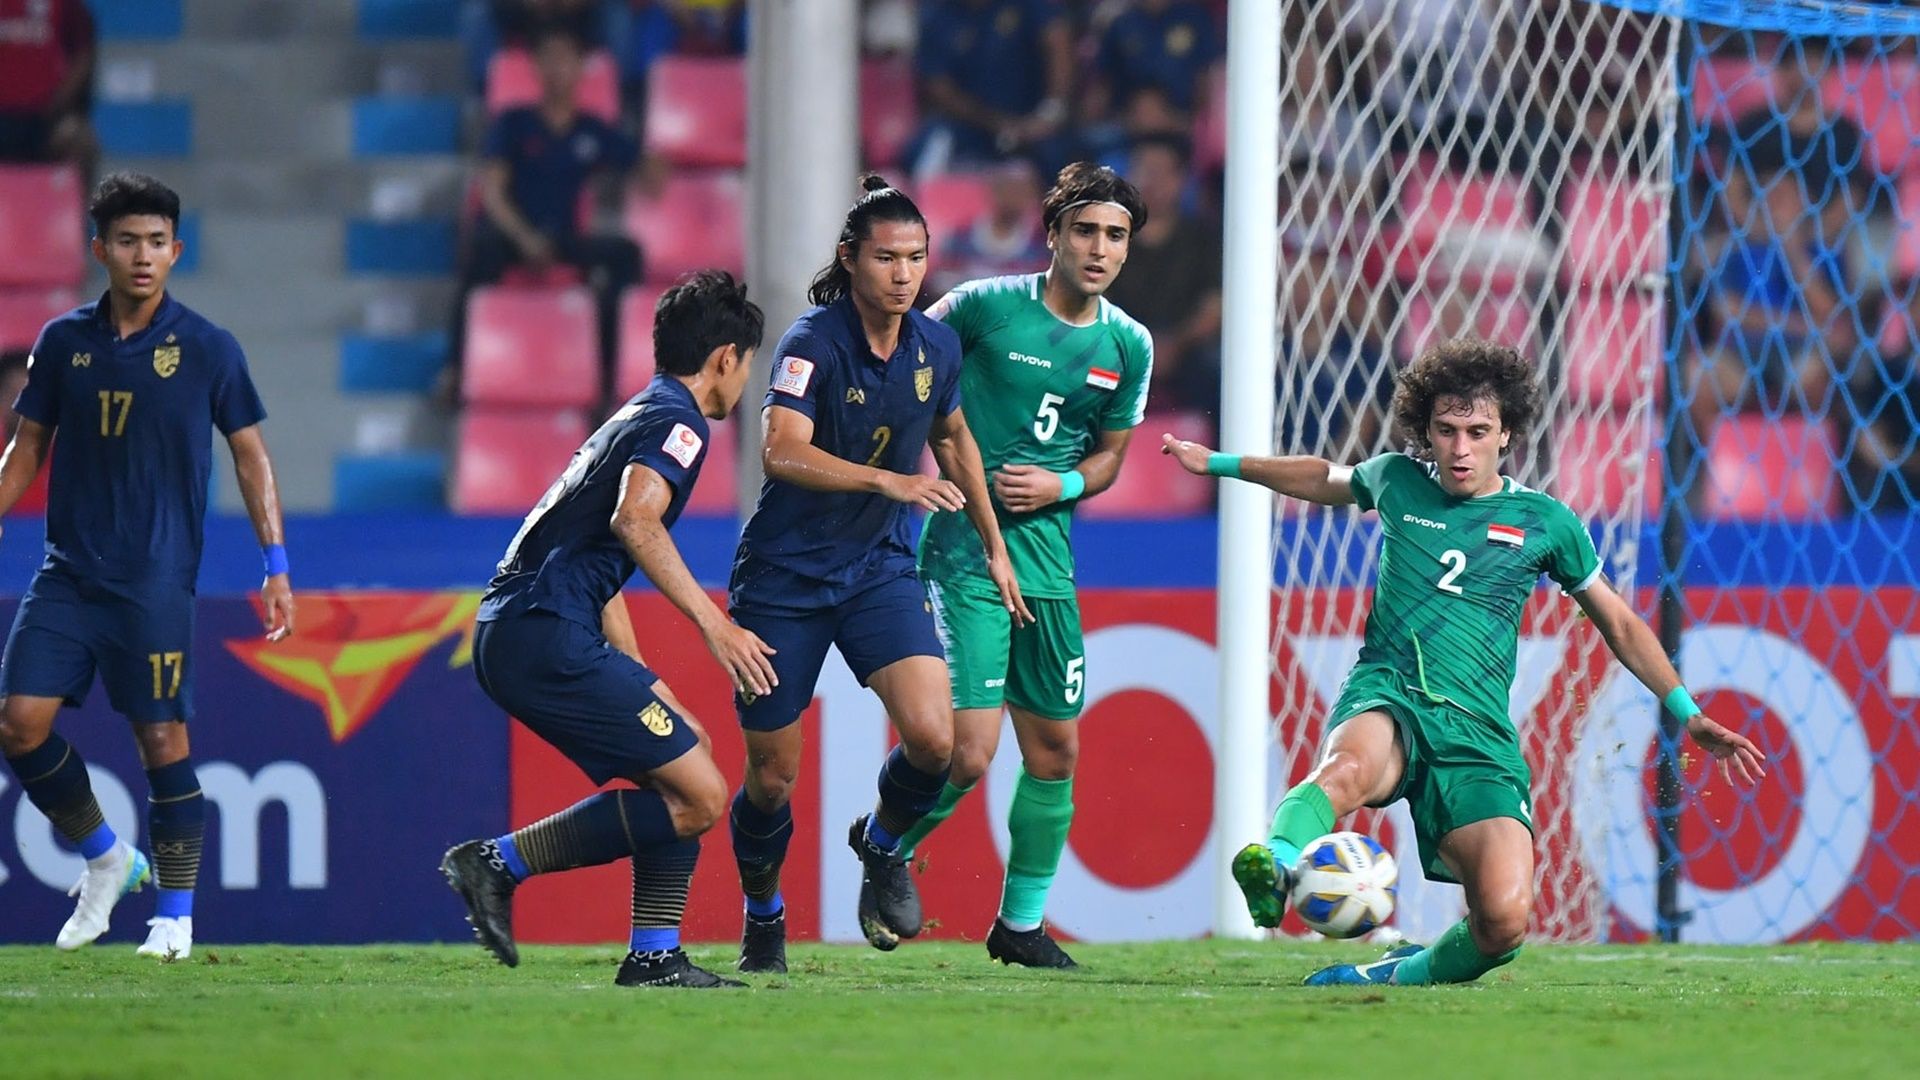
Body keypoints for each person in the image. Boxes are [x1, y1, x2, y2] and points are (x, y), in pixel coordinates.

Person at [1162, 338, 1765, 986]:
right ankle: (1279, 865)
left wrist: (1687, 711)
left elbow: (1618, 621)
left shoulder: (1545, 522)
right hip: (1391, 691)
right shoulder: (1396, 480)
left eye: (1477, 432)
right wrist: (1219, 462)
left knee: (1504, 921)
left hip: (1478, 734)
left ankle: (1385, 977)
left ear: (1506, 434)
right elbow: (1323, 477)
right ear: (1426, 431)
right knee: (1347, 768)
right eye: (1446, 431)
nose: (1460, 449)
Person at [726, 176, 1028, 972]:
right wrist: (888, 481)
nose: (903, 274)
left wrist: (994, 543)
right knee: (772, 778)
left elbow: (954, 440)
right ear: (850, 259)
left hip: (877, 570)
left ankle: (883, 845)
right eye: (887, 258)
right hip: (785, 579)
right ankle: (764, 916)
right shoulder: (811, 344)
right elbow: (781, 452)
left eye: (916, 258)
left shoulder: (936, 347)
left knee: (935, 739)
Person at [441, 270, 769, 989]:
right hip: (543, 631)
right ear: (725, 358)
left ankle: (654, 955)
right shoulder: (680, 424)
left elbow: (601, 557)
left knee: (686, 760)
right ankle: (498, 862)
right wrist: (716, 627)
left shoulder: (634, 414)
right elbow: (634, 521)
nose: (745, 380)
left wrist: (646, 679)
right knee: (704, 797)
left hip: (521, 627)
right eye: (748, 364)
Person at [0, 172, 295, 961]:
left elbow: (251, 454)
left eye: (157, 242)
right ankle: (106, 858)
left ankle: (174, 919)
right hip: (68, 575)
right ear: (99, 249)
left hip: (155, 582)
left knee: (161, 741)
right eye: (127, 240)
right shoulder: (63, 342)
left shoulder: (208, 348)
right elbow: (26, 448)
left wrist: (276, 564)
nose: (142, 255)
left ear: (176, 251)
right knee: (18, 724)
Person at [896, 161, 1154, 968]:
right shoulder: (981, 306)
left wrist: (1063, 484)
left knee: (1054, 754)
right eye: (1086, 231)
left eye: (1116, 236)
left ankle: (1019, 927)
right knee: (968, 753)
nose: (1100, 248)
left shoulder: (1129, 344)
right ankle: (885, 844)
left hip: (1047, 566)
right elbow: (902, 360)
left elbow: (1110, 456)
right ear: (1053, 235)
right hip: (967, 554)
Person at [453, 26, 643, 399]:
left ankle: (607, 373)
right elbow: (492, 192)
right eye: (549, 58)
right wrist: (524, 237)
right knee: (479, 252)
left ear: (580, 67)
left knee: (626, 255)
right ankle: (456, 368)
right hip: (513, 238)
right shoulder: (512, 123)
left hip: (563, 240)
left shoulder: (592, 129)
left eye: (566, 58)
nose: (558, 68)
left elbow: (641, 162)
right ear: (536, 67)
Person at [1099, 135, 1220, 411]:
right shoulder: (1106, 237)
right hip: (1122, 344)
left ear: (1181, 180)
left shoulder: (1205, 238)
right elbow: (1096, 301)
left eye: (1163, 172)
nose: (1152, 181)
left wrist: (1175, 344)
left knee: (1215, 363)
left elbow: (1213, 307)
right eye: (1144, 170)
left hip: (1186, 347)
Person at [907, 0, 1074, 177]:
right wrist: (997, 123)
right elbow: (938, 86)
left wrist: (1051, 111)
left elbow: (1058, 41)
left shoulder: (1027, 5)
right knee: (929, 146)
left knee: (1061, 159)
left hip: (1035, 121)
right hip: (970, 125)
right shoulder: (936, 14)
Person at [0, 0, 98, 178]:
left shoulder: (65, 5)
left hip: (47, 121)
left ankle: (72, 197)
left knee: (79, 142)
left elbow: (82, 58)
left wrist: (55, 106)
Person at [928, 158, 1049, 296]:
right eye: (1009, 190)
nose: (1014, 198)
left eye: (1022, 192)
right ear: (994, 191)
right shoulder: (961, 236)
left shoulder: (1041, 245)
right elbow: (940, 282)